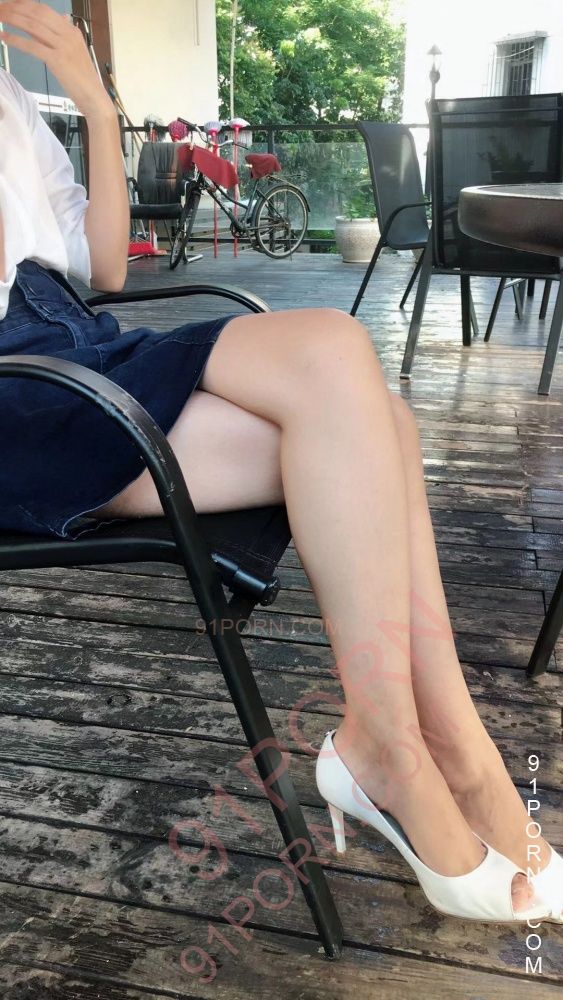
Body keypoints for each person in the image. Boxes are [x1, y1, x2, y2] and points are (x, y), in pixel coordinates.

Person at [0, 1, 560, 926]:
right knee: (350, 384)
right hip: (21, 393)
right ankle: (401, 753)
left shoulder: (13, 97)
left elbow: (105, 270)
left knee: (376, 415)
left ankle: (448, 747)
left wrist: (95, 105)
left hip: (74, 340)